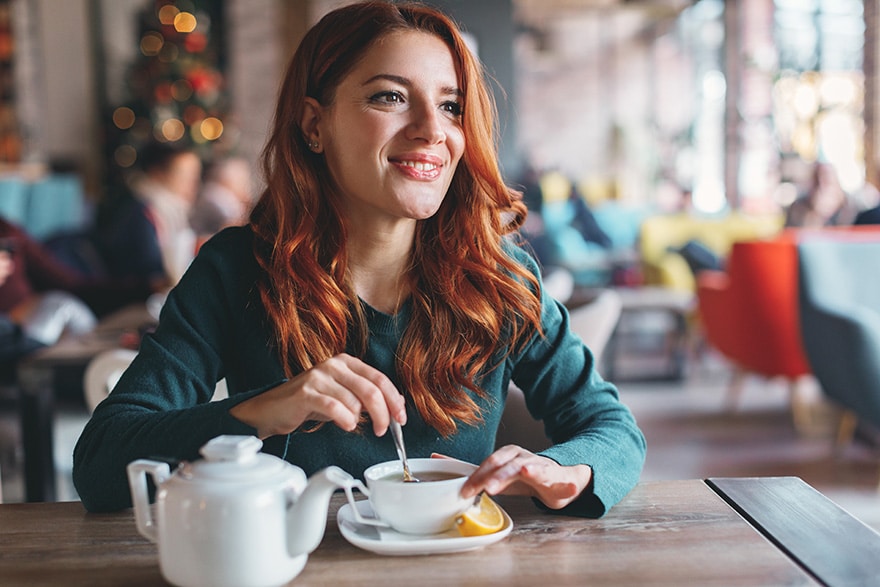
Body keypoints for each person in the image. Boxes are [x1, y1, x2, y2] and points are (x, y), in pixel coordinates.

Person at [73, 1, 646, 516]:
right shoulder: (236, 269)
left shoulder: (499, 275)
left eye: (450, 106)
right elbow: (101, 463)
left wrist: (568, 470)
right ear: (314, 124)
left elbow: (611, 426)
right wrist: (261, 411)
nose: (431, 131)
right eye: (390, 97)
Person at [93, 141, 202, 287]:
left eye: (195, 176)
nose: (194, 184)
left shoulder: (173, 210)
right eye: (184, 175)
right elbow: (152, 270)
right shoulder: (141, 211)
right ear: (157, 173)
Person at [189, 156, 255, 239]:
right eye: (243, 181)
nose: (247, 187)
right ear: (229, 181)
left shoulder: (210, 195)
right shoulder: (218, 198)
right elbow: (234, 226)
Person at [785, 162, 862, 228]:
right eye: (817, 182)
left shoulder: (849, 207)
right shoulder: (798, 207)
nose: (822, 186)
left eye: (828, 182)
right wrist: (817, 215)